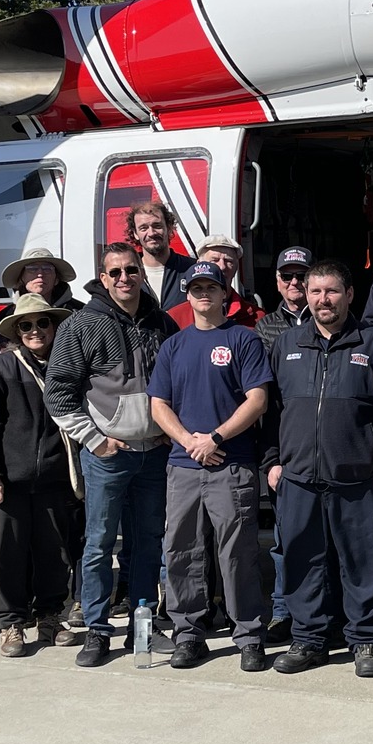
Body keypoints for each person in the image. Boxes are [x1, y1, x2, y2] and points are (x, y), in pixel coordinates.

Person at [44, 241, 175, 669]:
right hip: (107, 455)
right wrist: (94, 439)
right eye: (115, 272)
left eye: (131, 270)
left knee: (148, 542)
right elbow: (58, 393)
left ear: (141, 273)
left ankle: (143, 627)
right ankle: (98, 630)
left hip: (154, 454)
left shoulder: (161, 323)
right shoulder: (80, 325)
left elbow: (178, 382)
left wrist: (171, 430)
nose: (124, 278)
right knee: (99, 543)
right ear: (103, 278)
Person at [266, 260, 373, 678]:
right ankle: (309, 639)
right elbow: (271, 411)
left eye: (332, 291)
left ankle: (365, 640)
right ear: (306, 295)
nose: (324, 299)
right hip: (298, 477)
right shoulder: (287, 344)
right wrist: (271, 461)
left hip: (358, 478)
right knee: (304, 561)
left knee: (363, 563)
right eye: (316, 291)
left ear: (349, 295)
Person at [149, 260, 274, 670]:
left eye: (211, 287)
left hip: (231, 464)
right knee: (181, 550)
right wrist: (189, 441)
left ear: (224, 294)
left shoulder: (244, 339)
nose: (204, 294)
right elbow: (158, 404)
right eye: (196, 288)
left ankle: (249, 635)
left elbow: (258, 400)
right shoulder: (174, 346)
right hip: (184, 465)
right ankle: (189, 634)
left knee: (237, 553)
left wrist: (215, 438)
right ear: (187, 295)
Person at [0, 293, 81, 658]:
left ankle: (50, 617)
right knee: (8, 554)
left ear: (54, 325)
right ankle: (12, 623)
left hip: (55, 479)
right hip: (8, 482)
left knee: (54, 553)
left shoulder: (68, 364)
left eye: (42, 322)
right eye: (26, 325)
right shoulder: (1, 366)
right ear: (17, 331)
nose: (35, 330)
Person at [258, 244, 318, 640]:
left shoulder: (332, 317)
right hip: (286, 446)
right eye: (287, 276)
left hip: (324, 446)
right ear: (278, 282)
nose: (295, 282)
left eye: (302, 276)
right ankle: (283, 611)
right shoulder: (265, 328)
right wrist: (270, 459)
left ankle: (322, 612)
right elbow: (264, 399)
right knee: (286, 539)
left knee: (325, 541)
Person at [168, 236, 260, 329]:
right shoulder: (175, 318)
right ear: (199, 264)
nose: (222, 267)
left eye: (228, 261)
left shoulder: (257, 318)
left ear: (236, 267)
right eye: (215, 260)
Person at [127, 199, 193, 311]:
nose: (151, 233)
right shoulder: (126, 275)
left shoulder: (191, 269)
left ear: (169, 228)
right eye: (143, 228)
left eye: (157, 226)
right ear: (135, 234)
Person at [0, 246, 79, 309]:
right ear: (21, 278)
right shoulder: (5, 316)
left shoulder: (78, 313)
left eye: (47, 269)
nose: (40, 274)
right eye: (32, 269)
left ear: (56, 279)